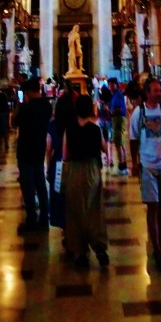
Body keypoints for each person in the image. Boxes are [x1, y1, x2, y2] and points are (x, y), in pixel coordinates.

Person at [129, 76, 161, 269]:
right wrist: (135, 162)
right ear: (147, 92)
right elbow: (133, 139)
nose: (159, 93)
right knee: (153, 206)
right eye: (155, 90)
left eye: (160, 90)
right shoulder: (138, 113)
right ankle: (157, 247)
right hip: (148, 164)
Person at [62, 93, 109, 268]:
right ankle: (99, 247)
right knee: (94, 209)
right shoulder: (95, 128)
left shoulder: (70, 128)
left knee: (75, 211)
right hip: (92, 170)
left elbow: (65, 154)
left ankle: (80, 252)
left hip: (74, 170)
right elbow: (104, 148)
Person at [14, 76, 52, 234]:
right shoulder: (47, 106)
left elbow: (14, 122)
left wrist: (20, 105)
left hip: (25, 150)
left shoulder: (26, 108)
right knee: (41, 184)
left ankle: (31, 219)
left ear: (28, 91)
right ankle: (44, 217)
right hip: (39, 148)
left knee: (28, 186)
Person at [45, 93, 75, 252]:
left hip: (57, 165)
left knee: (60, 198)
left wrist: (47, 167)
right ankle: (72, 231)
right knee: (72, 198)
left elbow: (48, 149)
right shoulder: (75, 124)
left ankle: (65, 231)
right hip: (73, 164)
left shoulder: (52, 125)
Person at [108, 77, 128, 175]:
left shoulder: (118, 94)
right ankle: (123, 165)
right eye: (109, 85)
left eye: (112, 84)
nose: (110, 86)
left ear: (116, 84)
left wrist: (110, 111)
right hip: (117, 119)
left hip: (119, 119)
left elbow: (119, 108)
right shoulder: (115, 94)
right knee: (120, 142)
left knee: (118, 142)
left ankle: (122, 166)